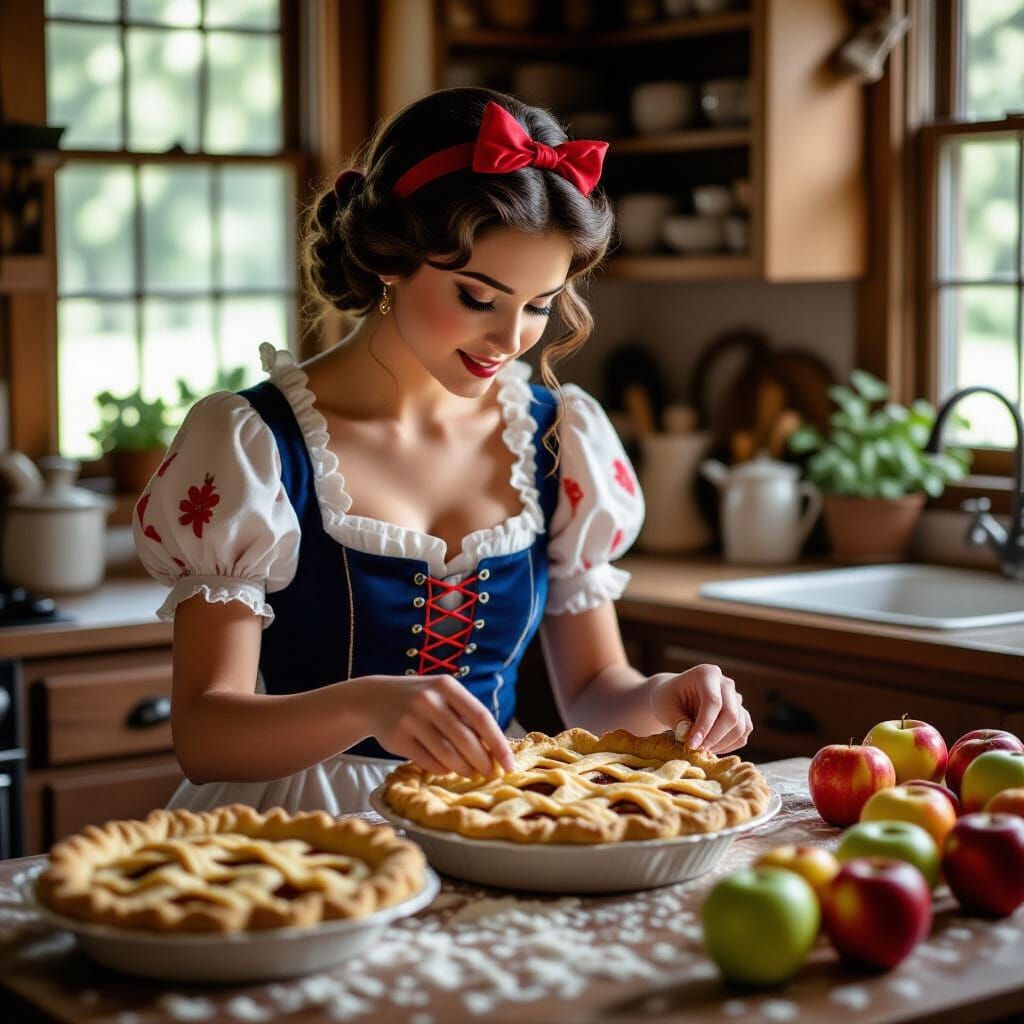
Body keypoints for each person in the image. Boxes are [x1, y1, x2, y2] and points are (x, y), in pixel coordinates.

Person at [132, 87, 753, 816]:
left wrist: (662, 695)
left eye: (540, 303)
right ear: (390, 258)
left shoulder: (561, 438)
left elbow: (590, 694)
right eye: (477, 296)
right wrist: (368, 708)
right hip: (297, 827)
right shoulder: (252, 445)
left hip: (494, 815)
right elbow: (206, 733)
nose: (513, 337)